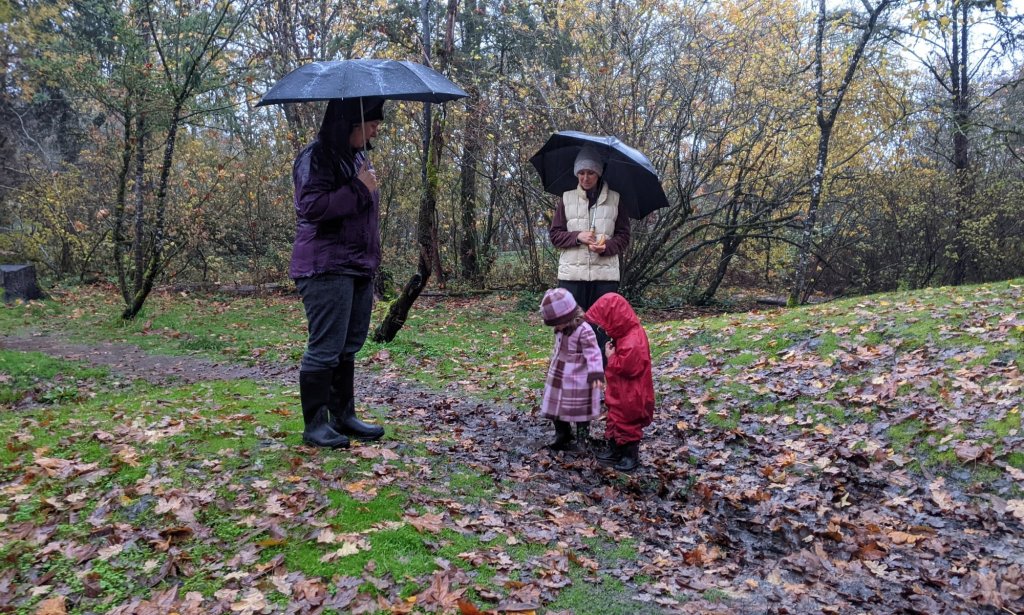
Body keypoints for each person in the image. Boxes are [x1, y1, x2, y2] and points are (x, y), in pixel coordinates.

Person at [290, 97, 388, 449]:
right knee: (325, 348)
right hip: (325, 265)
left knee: (348, 346)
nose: (376, 128)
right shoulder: (315, 157)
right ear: (348, 121)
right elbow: (312, 207)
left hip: (357, 266)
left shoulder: (357, 156)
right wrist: (359, 187)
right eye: (372, 122)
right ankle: (315, 425)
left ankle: (343, 416)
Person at [547, 146, 631, 312]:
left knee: (601, 328)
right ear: (576, 173)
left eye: (590, 172)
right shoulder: (566, 198)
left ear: (598, 173)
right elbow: (555, 235)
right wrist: (578, 237)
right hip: (572, 277)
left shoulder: (615, 199)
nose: (585, 178)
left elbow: (624, 236)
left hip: (605, 278)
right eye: (581, 172)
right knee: (572, 328)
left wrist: (606, 247)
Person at [584, 293, 655, 471]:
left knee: (627, 422)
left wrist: (611, 357)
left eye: (606, 325)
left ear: (615, 319)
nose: (604, 330)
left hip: (632, 394)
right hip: (621, 391)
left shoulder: (633, 340)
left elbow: (629, 367)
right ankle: (615, 449)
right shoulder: (624, 335)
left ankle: (630, 455)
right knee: (616, 417)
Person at [538, 288, 605, 451]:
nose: (557, 328)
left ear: (569, 316)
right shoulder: (561, 328)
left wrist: (596, 373)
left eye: (558, 324)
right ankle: (563, 433)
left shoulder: (584, 330)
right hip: (559, 374)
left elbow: (594, 353)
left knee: (581, 410)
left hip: (579, 377)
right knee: (554, 406)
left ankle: (583, 438)